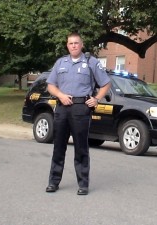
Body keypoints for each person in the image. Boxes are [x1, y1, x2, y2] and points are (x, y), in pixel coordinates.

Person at [45, 32, 111, 195]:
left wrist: (96, 99)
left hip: (81, 108)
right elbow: (50, 85)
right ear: (67, 46)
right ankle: (53, 182)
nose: (73, 46)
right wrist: (60, 95)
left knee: (81, 148)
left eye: (76, 43)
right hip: (62, 108)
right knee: (58, 147)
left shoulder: (91, 62)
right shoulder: (60, 62)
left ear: (82, 45)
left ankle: (83, 184)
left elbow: (106, 83)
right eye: (70, 43)